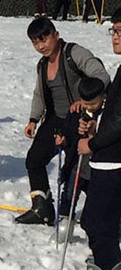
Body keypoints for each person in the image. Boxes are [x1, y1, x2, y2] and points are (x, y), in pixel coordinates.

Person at [16, 17, 109, 225]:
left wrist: (85, 102)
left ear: (55, 35)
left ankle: (107, 213)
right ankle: (42, 208)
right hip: (56, 121)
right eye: (35, 42)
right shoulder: (42, 65)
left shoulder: (74, 54)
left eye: (44, 39)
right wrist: (33, 119)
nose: (40, 46)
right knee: (34, 160)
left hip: (80, 121)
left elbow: (101, 76)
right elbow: (39, 94)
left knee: (80, 173)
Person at [68, 9, 121, 270]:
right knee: (103, 222)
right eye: (112, 30)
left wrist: (93, 141)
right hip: (108, 156)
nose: (114, 36)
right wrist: (94, 122)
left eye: (119, 30)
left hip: (112, 160)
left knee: (96, 221)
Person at [51, 78, 102, 243]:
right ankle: (65, 227)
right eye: (86, 103)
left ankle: (96, 232)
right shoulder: (75, 113)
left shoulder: (108, 114)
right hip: (77, 166)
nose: (89, 107)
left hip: (98, 168)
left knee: (97, 200)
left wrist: (92, 133)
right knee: (69, 195)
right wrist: (63, 140)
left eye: (93, 104)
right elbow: (70, 137)